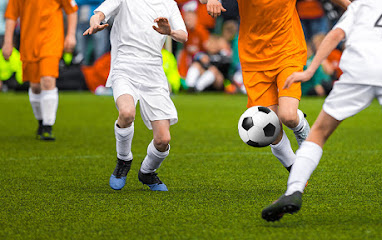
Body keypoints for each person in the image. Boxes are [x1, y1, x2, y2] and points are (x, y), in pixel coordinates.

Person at [262, 0, 382, 221]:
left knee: (319, 132)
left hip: (359, 72)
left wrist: (310, 70)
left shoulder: (362, 5)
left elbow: (335, 35)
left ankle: (294, 190)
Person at [199, 0, 350, 175]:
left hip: (288, 51)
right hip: (253, 58)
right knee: (270, 128)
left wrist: (352, 7)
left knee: (288, 116)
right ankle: (296, 170)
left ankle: (301, 128)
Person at [84, 0, 188, 191]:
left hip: (154, 73)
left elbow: (183, 35)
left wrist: (170, 32)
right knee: (126, 113)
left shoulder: (169, 3)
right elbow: (100, 13)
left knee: (163, 140)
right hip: (125, 66)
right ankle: (123, 160)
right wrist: (95, 21)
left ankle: (147, 172)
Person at [2, 0, 78, 140]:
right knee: (35, 86)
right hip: (28, 43)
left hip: (52, 40)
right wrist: (7, 42)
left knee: (48, 80)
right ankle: (41, 122)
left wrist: (71, 35)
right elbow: (11, 15)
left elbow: (72, 10)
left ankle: (48, 126)